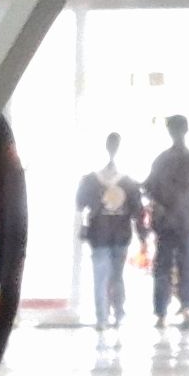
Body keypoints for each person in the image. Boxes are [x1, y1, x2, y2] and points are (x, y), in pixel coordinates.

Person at [144, 115, 189, 332]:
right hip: (185, 223)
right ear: (186, 129)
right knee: (186, 266)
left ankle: (164, 313)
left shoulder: (163, 161)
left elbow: (149, 188)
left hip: (173, 223)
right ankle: (183, 309)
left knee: (166, 267)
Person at [75, 133, 143, 331]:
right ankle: (119, 314)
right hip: (121, 235)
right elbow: (137, 211)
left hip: (98, 235)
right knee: (117, 276)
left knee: (100, 278)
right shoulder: (129, 182)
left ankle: (102, 319)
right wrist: (143, 234)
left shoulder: (90, 179)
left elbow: (80, 203)